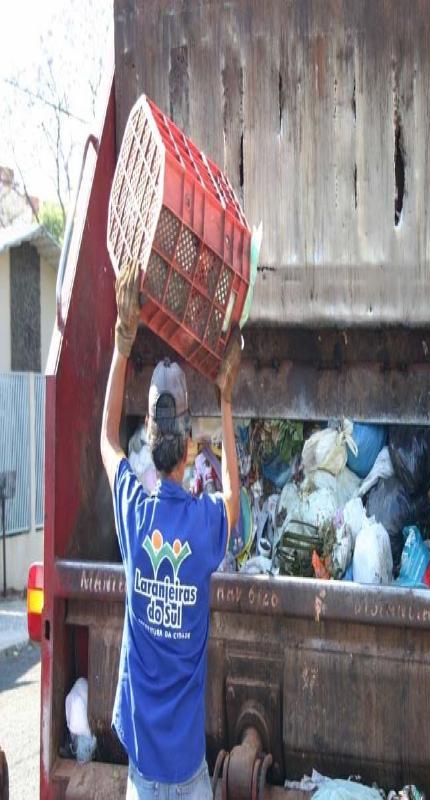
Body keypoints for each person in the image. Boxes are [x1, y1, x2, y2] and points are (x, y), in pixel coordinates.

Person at [100, 261, 242, 799]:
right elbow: (233, 496)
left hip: (143, 767)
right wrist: (227, 399)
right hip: (189, 772)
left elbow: (107, 441)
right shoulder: (206, 525)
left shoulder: (134, 511)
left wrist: (122, 342)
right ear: (188, 448)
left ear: (152, 443)